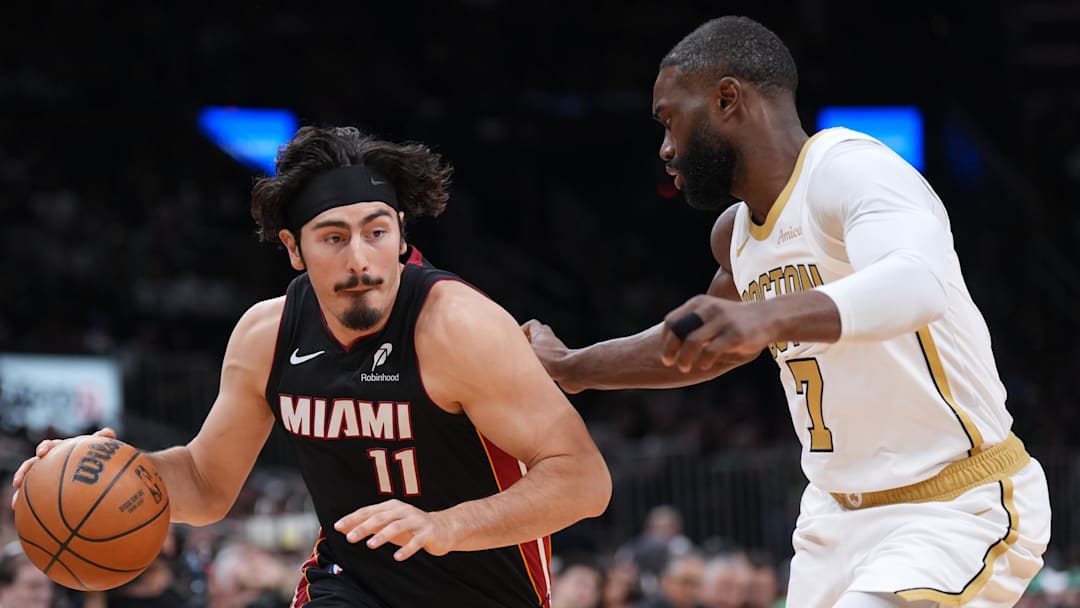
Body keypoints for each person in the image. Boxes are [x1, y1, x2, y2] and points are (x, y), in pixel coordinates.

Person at [524, 15, 1051, 608]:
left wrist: (767, 317)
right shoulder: (738, 237)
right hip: (832, 518)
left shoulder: (851, 169)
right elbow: (695, 353)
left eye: (670, 120)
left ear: (727, 98)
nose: (666, 148)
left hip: (952, 504)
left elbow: (918, 283)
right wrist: (573, 366)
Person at [12, 126, 612, 608]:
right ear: (293, 248)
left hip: (487, 590)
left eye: (377, 231)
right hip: (347, 585)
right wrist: (108, 472)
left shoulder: (459, 327)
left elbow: (584, 481)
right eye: (332, 237)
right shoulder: (266, 335)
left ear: (401, 235)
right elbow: (205, 482)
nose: (360, 259)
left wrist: (446, 527)